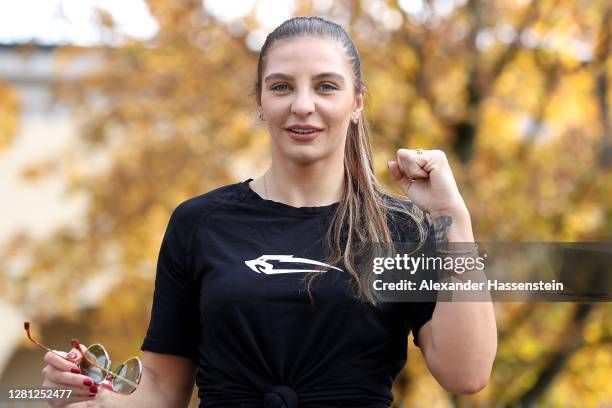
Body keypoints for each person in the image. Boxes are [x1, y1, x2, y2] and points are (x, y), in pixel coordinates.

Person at [40, 16, 497, 408]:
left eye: (326, 86)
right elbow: (162, 387)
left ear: (356, 102)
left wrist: (453, 216)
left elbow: (467, 373)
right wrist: (94, 394)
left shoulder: (400, 227)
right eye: (281, 87)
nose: (303, 105)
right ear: (260, 101)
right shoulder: (198, 224)